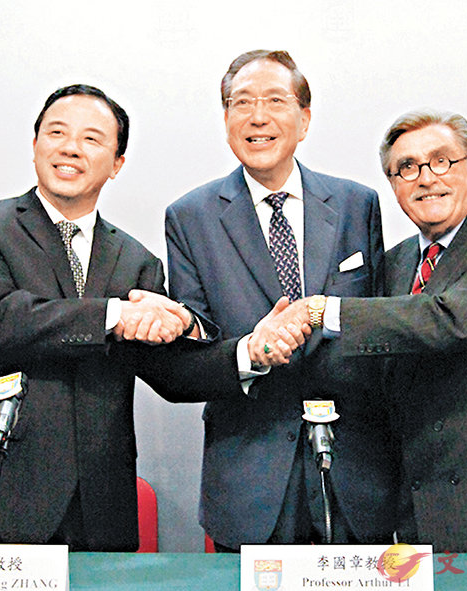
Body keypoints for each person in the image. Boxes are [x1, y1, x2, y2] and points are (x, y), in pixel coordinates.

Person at [0, 84, 284, 551]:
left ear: (117, 163)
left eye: (91, 138)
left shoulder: (136, 262)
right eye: (57, 133)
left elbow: (169, 371)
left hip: (98, 503)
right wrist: (115, 315)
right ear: (35, 144)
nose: (70, 148)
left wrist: (249, 352)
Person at [259, 109, 467, 552]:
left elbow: (447, 320)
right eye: (407, 167)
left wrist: (318, 311)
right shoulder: (394, 263)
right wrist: (255, 351)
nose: (426, 178)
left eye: (441, 160)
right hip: (417, 512)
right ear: (393, 185)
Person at [165, 50, 397, 551]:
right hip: (249, 477)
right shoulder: (190, 217)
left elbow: (377, 325)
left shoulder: (357, 204)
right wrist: (249, 352)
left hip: (356, 473)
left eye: (275, 100)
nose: (258, 117)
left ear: (304, 119)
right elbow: (190, 357)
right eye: (241, 102)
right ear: (226, 119)